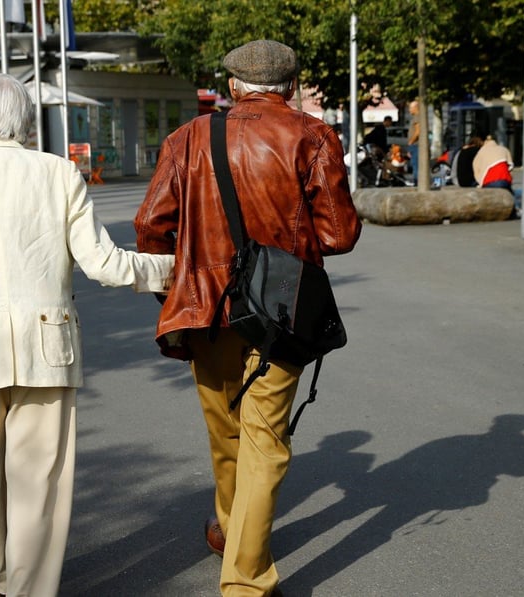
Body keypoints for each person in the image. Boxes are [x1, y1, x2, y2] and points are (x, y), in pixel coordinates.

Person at [0, 73, 174, 597]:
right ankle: (26, 587)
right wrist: (172, 268)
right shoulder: (59, 173)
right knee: (37, 474)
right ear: (28, 123)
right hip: (46, 344)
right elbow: (102, 263)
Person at [134, 40, 362, 596]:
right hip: (282, 301)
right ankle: (245, 579)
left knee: (226, 431)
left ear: (233, 86)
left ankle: (233, 531)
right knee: (265, 439)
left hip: (203, 301)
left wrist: (177, 285)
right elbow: (338, 235)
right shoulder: (312, 135)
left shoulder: (188, 138)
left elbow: (150, 226)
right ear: (291, 86)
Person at [406, 100, 420, 183]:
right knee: (414, 164)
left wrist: (411, 142)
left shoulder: (417, 118)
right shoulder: (416, 117)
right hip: (414, 145)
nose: (409, 110)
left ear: (416, 108)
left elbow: (418, 132)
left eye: (410, 108)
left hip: (415, 145)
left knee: (415, 164)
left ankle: (417, 181)